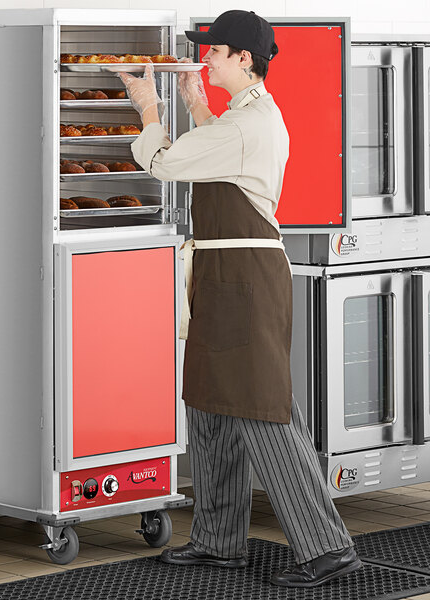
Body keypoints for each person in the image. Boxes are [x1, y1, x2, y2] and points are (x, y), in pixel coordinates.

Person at [117, 10, 361, 588]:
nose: (208, 58)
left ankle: (328, 548)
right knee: (209, 403)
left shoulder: (249, 126)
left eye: (216, 52)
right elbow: (216, 155)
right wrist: (196, 97)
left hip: (246, 279)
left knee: (262, 408)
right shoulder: (242, 119)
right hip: (223, 274)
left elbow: (168, 163)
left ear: (244, 59)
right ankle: (218, 541)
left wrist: (149, 108)